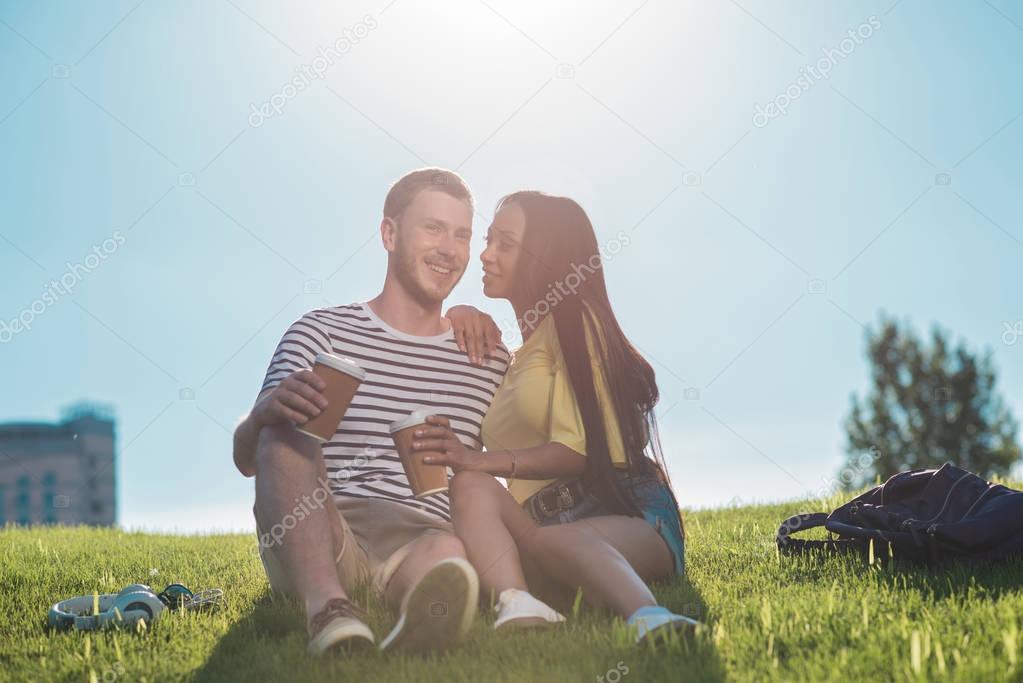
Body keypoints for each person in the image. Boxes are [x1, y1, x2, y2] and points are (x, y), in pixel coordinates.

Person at [232, 168, 515, 656]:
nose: (449, 248)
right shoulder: (320, 332)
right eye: (432, 228)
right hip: (323, 527)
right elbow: (249, 458)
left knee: (446, 554)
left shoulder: (485, 357)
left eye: (462, 234)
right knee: (283, 432)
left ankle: (419, 621)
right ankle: (330, 611)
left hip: (425, 531)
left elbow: (504, 469)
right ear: (389, 234)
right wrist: (260, 417)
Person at [413, 191, 698, 645]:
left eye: (505, 243)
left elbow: (576, 453)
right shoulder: (515, 360)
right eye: (489, 239)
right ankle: (518, 602)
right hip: (540, 523)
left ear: (543, 255)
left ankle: (650, 618)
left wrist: (476, 459)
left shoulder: (578, 321)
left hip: (621, 510)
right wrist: (456, 316)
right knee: (468, 486)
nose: (485, 254)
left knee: (552, 537)